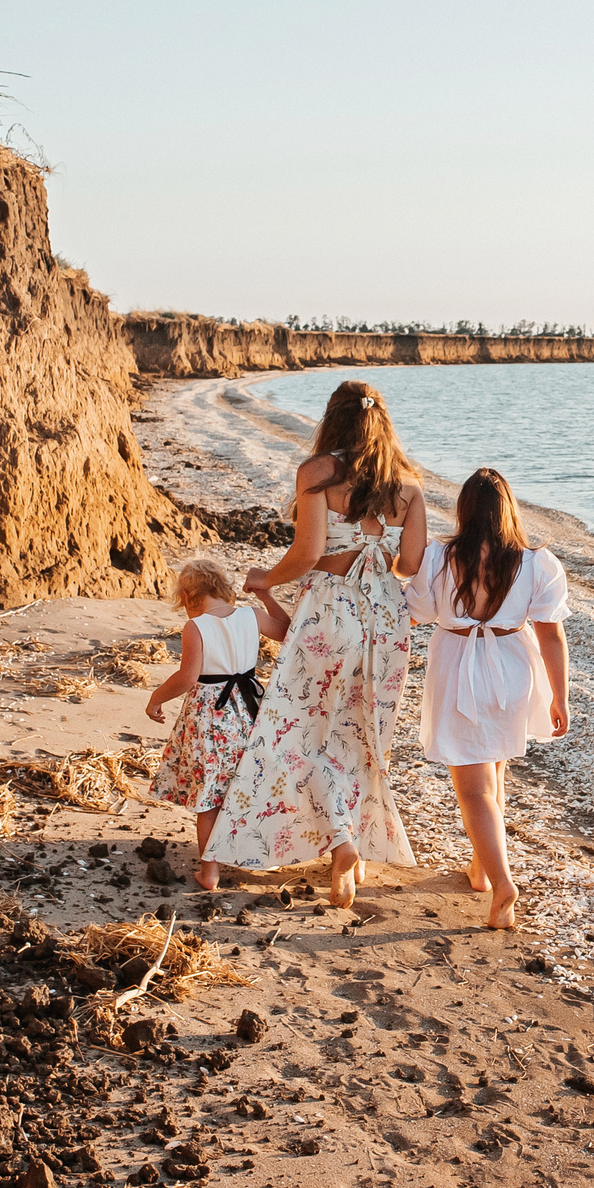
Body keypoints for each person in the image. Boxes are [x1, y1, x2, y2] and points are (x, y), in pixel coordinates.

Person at [208, 380, 429, 907]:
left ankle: (340, 839)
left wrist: (266, 579)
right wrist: (377, 548)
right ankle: (342, 854)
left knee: (299, 731)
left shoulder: (319, 473)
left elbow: (306, 553)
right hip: (386, 622)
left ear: (333, 420)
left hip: (331, 613)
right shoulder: (409, 486)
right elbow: (411, 566)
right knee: (361, 737)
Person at [404, 467, 571, 929]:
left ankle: (502, 884)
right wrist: (561, 696)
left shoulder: (438, 558)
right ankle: (481, 868)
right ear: (509, 511)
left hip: (460, 669)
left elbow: (415, 613)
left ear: (465, 511)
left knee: (473, 789)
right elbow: (552, 635)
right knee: (494, 766)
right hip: (514, 668)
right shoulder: (536, 563)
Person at [144, 556, 287, 891]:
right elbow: (289, 632)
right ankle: (257, 853)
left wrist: (156, 697)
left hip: (210, 717)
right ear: (221, 587)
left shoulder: (196, 627)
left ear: (188, 596)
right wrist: (266, 595)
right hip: (249, 710)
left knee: (209, 795)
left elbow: (187, 677)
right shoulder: (251, 615)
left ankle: (210, 872)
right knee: (247, 784)